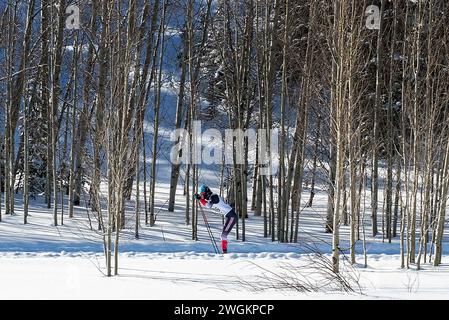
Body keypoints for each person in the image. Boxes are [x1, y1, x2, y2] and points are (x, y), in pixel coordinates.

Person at [194, 184, 237, 254]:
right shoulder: (210, 198)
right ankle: (224, 252)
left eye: (202, 193)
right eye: (200, 194)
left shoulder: (214, 197)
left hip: (231, 216)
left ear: (206, 192)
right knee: (223, 235)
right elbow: (207, 203)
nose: (201, 195)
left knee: (223, 235)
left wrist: (200, 200)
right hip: (228, 216)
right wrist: (200, 199)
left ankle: (224, 252)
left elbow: (209, 205)